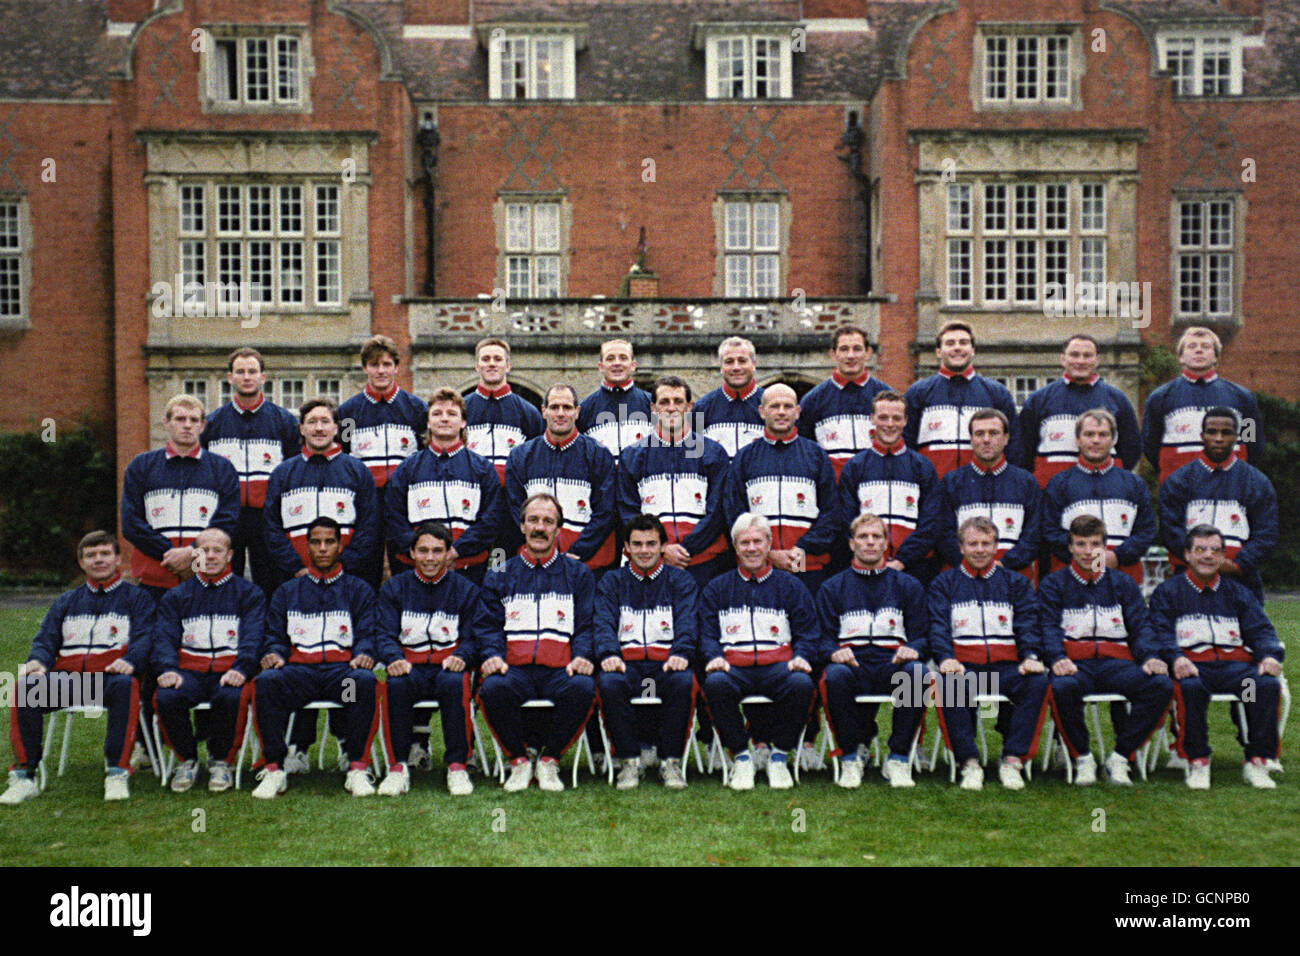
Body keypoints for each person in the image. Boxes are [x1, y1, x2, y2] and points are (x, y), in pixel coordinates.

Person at [2, 531, 156, 803]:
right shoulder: (66, 601)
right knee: (25, 687)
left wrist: (130, 661)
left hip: (109, 680)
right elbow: (46, 639)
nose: (98, 560)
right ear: (82, 562)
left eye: (105, 554)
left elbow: (146, 638)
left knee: (126, 685)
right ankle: (23, 777)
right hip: (70, 683)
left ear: (118, 559)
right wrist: (37, 661)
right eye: (91, 555)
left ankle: (116, 772)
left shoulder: (138, 598)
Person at [475, 493, 598, 792]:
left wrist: (582, 656)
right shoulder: (501, 572)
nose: (539, 528)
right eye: (533, 520)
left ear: (559, 529)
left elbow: (586, 625)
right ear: (521, 526)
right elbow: (488, 624)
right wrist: (492, 655)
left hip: (561, 669)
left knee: (583, 687)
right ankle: (518, 761)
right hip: (514, 668)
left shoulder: (578, 574)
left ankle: (550, 761)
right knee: (492, 688)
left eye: (548, 521)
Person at [251, 517, 380, 799]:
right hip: (301, 675)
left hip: (340, 675)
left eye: (329, 542)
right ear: (306, 546)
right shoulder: (287, 592)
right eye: (316, 542)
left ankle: (357, 767)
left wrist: (363, 654)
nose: (323, 548)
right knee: (268, 681)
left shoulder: (358, 590)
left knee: (362, 682)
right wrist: (274, 653)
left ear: (339, 545)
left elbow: (368, 633)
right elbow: (275, 635)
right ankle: (274, 769)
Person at [1148, 523, 1285, 790]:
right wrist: (1175, 658)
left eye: (1215, 550)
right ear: (1187, 554)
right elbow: (1159, 634)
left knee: (1262, 686)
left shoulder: (1238, 593)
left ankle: (1256, 760)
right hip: (1195, 669)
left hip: (1236, 672)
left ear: (1223, 556)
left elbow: (1261, 630)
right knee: (1190, 690)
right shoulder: (1169, 592)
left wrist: (1269, 655)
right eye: (1200, 549)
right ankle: (1197, 760)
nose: (1208, 556)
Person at [1039, 516, 1173, 786]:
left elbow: (1141, 626)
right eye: (1081, 544)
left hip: (1117, 665)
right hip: (1076, 664)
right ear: (1070, 547)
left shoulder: (1122, 584)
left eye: (1095, 544)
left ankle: (1120, 757)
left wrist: (1149, 657)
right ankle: (1083, 758)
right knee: (1062, 687)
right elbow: (1047, 628)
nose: (1088, 552)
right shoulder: (1054, 584)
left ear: (1105, 547)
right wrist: (1057, 658)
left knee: (1160, 684)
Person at [699, 513, 820, 791]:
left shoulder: (791, 586)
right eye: (744, 543)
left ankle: (779, 756)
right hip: (734, 667)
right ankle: (742, 757)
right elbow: (706, 633)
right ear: (735, 547)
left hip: (778, 666)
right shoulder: (717, 588)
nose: (751, 548)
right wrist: (713, 656)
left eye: (757, 541)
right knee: (715, 684)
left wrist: (801, 655)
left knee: (802, 684)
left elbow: (808, 631)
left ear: (768, 544)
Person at [928, 517, 1048, 791]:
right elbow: (938, 627)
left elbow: (1028, 623)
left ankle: (1012, 759)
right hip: (965, 667)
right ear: (961, 547)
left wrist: (1030, 655)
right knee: (949, 684)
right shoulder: (944, 584)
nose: (980, 549)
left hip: (1006, 668)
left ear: (996, 546)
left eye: (986, 543)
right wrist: (946, 657)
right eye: (973, 544)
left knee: (1037, 681)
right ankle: (968, 762)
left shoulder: (1016, 584)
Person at [817, 513, 928, 789]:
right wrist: (833, 652)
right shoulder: (832, 587)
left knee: (917, 673)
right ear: (852, 544)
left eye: (876, 537)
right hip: (852, 665)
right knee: (834, 676)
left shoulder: (908, 585)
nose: (870, 542)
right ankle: (851, 756)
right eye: (863, 537)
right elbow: (820, 637)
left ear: (886, 544)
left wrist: (913, 649)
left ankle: (899, 757)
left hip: (892, 662)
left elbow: (923, 635)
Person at [152, 528, 264, 793]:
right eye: (204, 550)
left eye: (218, 550)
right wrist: (168, 669)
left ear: (230, 556)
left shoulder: (249, 593)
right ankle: (187, 760)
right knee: (166, 696)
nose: (211, 556)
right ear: (195, 555)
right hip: (189, 671)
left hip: (229, 670)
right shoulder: (177, 596)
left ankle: (221, 761)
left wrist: (241, 668)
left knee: (232, 696)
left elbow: (254, 636)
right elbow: (164, 639)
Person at [375, 522, 482, 797]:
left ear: (448, 553)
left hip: (448, 665)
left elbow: (474, 636)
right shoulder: (394, 588)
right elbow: (383, 634)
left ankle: (457, 766)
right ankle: (398, 767)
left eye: (437, 550)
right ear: (412, 553)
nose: (430, 558)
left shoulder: (466, 589)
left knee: (454, 683)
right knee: (396, 684)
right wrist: (393, 658)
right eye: (423, 550)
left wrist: (462, 656)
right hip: (411, 665)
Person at [593, 515, 699, 790]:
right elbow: (603, 622)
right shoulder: (611, 581)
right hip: (627, 666)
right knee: (609, 681)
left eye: (651, 544)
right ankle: (629, 761)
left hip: (664, 665)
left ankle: (670, 762)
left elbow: (688, 622)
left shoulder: (681, 581)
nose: (644, 550)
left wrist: (682, 652)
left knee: (683, 680)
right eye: (637, 544)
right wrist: (608, 653)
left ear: (663, 546)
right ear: (626, 547)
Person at [202, 347, 302, 595]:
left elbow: (294, 472)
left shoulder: (284, 421)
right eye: (240, 372)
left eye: (252, 371)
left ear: (263, 378)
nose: (247, 377)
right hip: (226, 516)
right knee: (223, 582)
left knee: (271, 581)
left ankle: (270, 632)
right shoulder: (211, 424)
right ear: (230, 378)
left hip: (267, 516)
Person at [121, 394, 240, 599]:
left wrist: (193, 553)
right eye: (180, 419)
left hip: (206, 576)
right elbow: (131, 522)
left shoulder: (222, 468)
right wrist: (171, 555)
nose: (187, 426)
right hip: (154, 577)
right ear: (166, 423)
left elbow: (228, 520)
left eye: (194, 420)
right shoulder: (141, 466)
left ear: (202, 426)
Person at [724, 383, 840, 595]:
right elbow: (734, 512)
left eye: (787, 406)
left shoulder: (816, 455)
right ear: (761, 411)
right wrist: (769, 553)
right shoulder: (745, 457)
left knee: (804, 624)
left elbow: (831, 512)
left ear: (797, 412)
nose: (781, 412)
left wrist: (803, 548)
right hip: (758, 564)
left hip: (806, 564)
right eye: (774, 406)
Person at [618, 376, 730, 586]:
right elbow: (628, 512)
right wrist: (661, 548)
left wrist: (687, 548)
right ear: (653, 408)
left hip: (704, 562)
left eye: (678, 401)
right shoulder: (632, 455)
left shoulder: (713, 453)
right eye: (664, 402)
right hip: (650, 562)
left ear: (689, 407)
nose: (671, 408)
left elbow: (718, 511)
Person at [385, 387, 504, 586]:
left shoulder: (483, 469)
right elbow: (394, 519)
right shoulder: (406, 470)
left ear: (463, 422)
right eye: (437, 414)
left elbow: (491, 520)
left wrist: (456, 551)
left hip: (469, 571)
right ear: (428, 422)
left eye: (452, 414)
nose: (444, 419)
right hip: (417, 573)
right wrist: (425, 553)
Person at [1159, 406, 1278, 603]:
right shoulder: (1179, 480)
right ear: (1202, 435)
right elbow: (1170, 529)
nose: (1219, 438)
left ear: (1237, 437)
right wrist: (1200, 561)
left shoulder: (1256, 482)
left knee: (1247, 633)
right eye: (1212, 432)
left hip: (1241, 578)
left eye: (1226, 432)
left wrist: (1238, 564)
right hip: (1189, 576)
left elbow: (1266, 533)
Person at [338, 335, 428, 587]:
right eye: (374, 365)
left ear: (396, 367)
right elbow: (343, 458)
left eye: (387, 364)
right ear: (365, 368)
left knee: (405, 561)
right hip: (366, 501)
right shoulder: (348, 413)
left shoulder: (416, 409)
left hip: (405, 500)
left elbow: (423, 455)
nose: (381, 371)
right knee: (365, 563)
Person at [263, 398, 379, 585]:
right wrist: (295, 568)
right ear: (301, 429)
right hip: (295, 579)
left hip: (347, 578)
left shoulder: (358, 471)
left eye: (325, 422)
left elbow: (368, 526)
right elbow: (271, 527)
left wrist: (344, 567)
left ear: (336, 428)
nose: (318, 428)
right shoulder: (282, 474)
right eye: (311, 422)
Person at [505, 384, 618, 575]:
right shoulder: (520, 456)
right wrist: (542, 549)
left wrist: (578, 552)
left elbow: (605, 511)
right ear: (544, 411)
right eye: (554, 407)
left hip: (588, 564)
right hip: (536, 561)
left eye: (567, 408)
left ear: (577, 412)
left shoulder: (599, 455)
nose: (560, 413)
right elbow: (516, 509)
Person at [837, 390, 942, 585]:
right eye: (883, 417)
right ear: (872, 419)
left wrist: (903, 560)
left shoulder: (922, 466)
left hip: (914, 568)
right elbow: (847, 520)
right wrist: (873, 558)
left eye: (896, 418)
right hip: (866, 566)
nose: (890, 424)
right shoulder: (855, 467)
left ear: (905, 421)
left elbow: (931, 522)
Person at [1042, 409, 1156, 585]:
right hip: (1071, 581)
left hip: (1123, 579)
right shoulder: (1059, 484)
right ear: (1078, 439)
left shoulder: (1134, 484)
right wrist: (1085, 557)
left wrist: (1116, 556)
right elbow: (1050, 531)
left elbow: (1146, 531)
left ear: (1113, 440)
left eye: (1103, 434)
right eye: (1089, 434)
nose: (1096, 440)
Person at [1142, 326, 1263, 484]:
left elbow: (1253, 442)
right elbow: (1150, 444)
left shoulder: (1242, 397)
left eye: (1205, 347)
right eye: (1192, 346)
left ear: (1215, 357)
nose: (1199, 350)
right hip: (1179, 487)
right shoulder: (1160, 398)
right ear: (1181, 357)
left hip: (1230, 485)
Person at [933, 409, 1041, 582]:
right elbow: (944, 533)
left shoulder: (1026, 482)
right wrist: (972, 565)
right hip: (965, 579)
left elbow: (1034, 534)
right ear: (971, 439)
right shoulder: (952, 482)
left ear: (1006, 438)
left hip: (1015, 579)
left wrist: (1005, 564)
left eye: (994, 433)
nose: (986, 440)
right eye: (979, 434)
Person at [1017, 335, 1141, 486]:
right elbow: (1023, 450)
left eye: (1087, 356)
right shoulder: (1039, 399)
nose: (1081, 361)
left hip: (1102, 491)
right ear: (1062, 359)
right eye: (1074, 355)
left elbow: (1131, 449)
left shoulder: (1116, 399)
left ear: (1097, 360)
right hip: (1050, 495)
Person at [903, 320, 1021, 478]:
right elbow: (906, 444)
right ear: (938, 351)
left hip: (982, 486)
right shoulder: (918, 393)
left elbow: (1013, 445)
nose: (957, 347)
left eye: (963, 342)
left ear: (973, 350)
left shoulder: (997, 393)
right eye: (950, 343)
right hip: (933, 487)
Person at [797, 325, 893, 478]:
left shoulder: (887, 397)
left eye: (857, 349)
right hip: (833, 491)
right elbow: (804, 452)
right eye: (844, 349)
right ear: (833, 354)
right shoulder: (812, 400)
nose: (850, 355)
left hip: (876, 485)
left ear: (868, 353)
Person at [464, 337, 543, 483]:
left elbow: (537, 461)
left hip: (512, 496)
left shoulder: (528, 413)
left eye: (498, 359)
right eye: (486, 359)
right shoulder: (461, 410)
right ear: (477, 366)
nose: (492, 364)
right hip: (472, 492)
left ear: (507, 366)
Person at [577, 339, 653, 457]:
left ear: (633, 365)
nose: (617, 363)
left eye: (623, 358)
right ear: (600, 366)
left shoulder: (652, 404)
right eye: (610, 358)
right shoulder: (585, 408)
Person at [694, 336, 765, 458]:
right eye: (729, 361)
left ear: (754, 364)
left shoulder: (771, 405)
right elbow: (694, 458)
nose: (736, 367)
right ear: (721, 367)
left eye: (742, 361)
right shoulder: (702, 408)